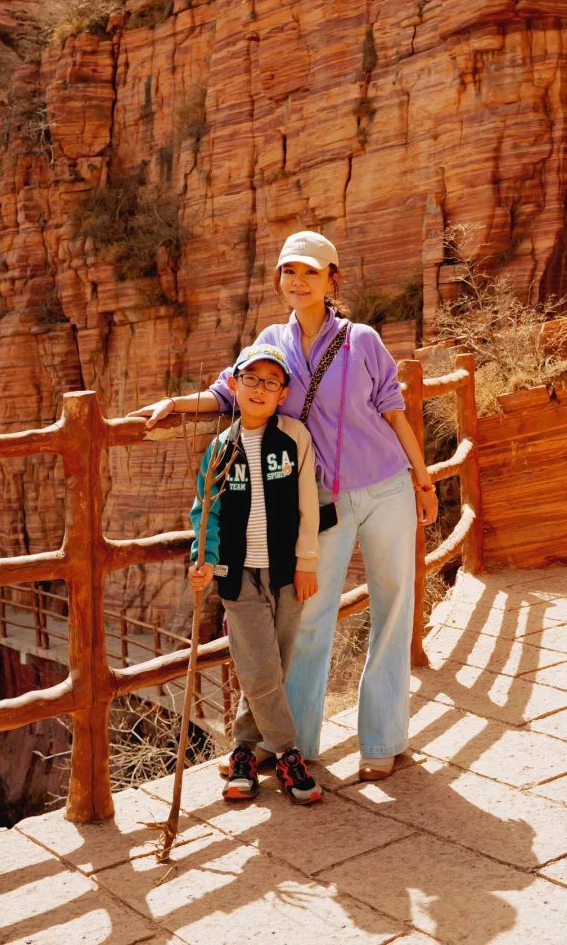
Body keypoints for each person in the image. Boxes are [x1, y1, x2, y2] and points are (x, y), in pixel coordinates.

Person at [132, 229, 438, 782]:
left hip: (388, 485)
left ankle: (383, 741)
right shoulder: (273, 340)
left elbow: (394, 412)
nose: (298, 281)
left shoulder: (362, 340)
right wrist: (174, 403)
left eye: (311, 272)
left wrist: (423, 481)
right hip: (323, 499)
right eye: (289, 271)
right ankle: (293, 742)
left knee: (393, 608)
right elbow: (230, 391)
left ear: (332, 279)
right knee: (311, 616)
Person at [187, 342, 323, 805]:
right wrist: (201, 559)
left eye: (270, 382)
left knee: (271, 667)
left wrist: (306, 562)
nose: (260, 389)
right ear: (234, 384)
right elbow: (205, 512)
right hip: (237, 575)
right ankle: (287, 753)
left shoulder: (293, 438)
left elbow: (309, 504)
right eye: (251, 379)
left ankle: (243, 751)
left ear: (283, 393)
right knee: (262, 668)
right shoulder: (220, 450)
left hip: (286, 573)